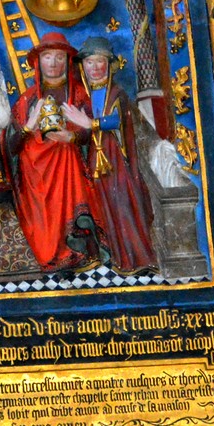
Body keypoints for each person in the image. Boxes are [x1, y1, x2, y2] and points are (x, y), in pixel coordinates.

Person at [7, 31, 101, 271]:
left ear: (67, 61)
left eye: (59, 57)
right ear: (39, 62)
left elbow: (93, 131)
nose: (53, 63)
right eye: (48, 57)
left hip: (70, 164)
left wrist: (72, 136)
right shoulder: (27, 100)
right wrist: (30, 127)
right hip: (36, 168)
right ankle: (52, 248)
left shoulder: (80, 94)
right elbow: (12, 145)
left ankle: (77, 242)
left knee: (65, 152)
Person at [75, 36, 156, 273]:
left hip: (117, 160)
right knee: (103, 207)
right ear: (84, 66)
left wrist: (91, 123)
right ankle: (114, 256)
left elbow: (117, 121)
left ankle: (137, 258)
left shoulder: (117, 93)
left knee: (123, 205)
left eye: (100, 62)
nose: (96, 68)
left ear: (109, 65)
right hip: (96, 160)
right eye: (90, 62)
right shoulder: (85, 96)